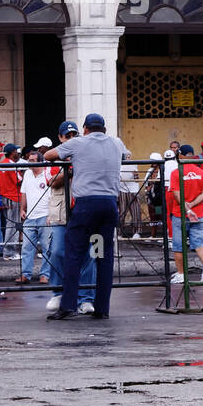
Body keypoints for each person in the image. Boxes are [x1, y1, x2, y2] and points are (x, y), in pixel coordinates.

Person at [43, 113, 129, 321]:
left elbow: (48, 156)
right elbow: (127, 155)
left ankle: (68, 305)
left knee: (74, 254)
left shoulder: (79, 143)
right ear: (105, 130)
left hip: (86, 207)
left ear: (85, 130)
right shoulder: (116, 143)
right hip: (108, 206)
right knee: (102, 255)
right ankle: (101, 308)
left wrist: (72, 156)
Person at [45, 121, 96, 315]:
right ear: (60, 138)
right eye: (67, 136)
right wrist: (71, 169)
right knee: (57, 251)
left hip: (83, 208)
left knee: (88, 254)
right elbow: (53, 181)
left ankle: (86, 298)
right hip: (61, 211)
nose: (71, 139)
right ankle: (58, 292)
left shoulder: (85, 153)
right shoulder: (56, 155)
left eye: (74, 135)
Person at [167, 144, 203, 286]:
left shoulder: (176, 172)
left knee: (178, 245)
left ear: (180, 155)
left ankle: (181, 274)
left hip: (180, 213)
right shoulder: (201, 172)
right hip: (198, 213)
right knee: (200, 243)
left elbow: (175, 193)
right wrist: (193, 205)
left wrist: (186, 206)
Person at [17, 149, 52, 284]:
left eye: (32, 161)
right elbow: (23, 192)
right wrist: (22, 209)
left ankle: (45, 275)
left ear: (40, 162)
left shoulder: (47, 173)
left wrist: (51, 214)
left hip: (45, 215)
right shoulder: (27, 174)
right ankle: (26, 274)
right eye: (29, 160)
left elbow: (52, 195)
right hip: (30, 216)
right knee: (26, 247)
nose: (29, 163)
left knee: (47, 247)